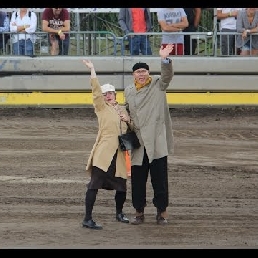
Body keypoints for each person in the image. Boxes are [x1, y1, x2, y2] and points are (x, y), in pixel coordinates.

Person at [124, 44, 174, 225]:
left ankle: (162, 212)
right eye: (138, 72)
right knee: (138, 181)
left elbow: (167, 75)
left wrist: (164, 59)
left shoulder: (158, 85)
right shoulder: (128, 91)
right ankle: (139, 212)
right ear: (133, 75)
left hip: (156, 141)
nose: (142, 74)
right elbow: (127, 112)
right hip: (139, 143)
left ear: (149, 72)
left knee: (159, 180)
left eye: (144, 71)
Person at [81, 59, 132, 230]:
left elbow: (132, 129)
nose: (108, 95)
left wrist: (129, 121)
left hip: (119, 154)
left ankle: (119, 213)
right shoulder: (101, 107)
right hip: (103, 153)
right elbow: (95, 91)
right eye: (106, 93)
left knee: (122, 186)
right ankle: (87, 218)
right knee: (94, 184)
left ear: (115, 95)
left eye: (111, 93)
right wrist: (92, 70)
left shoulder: (124, 109)